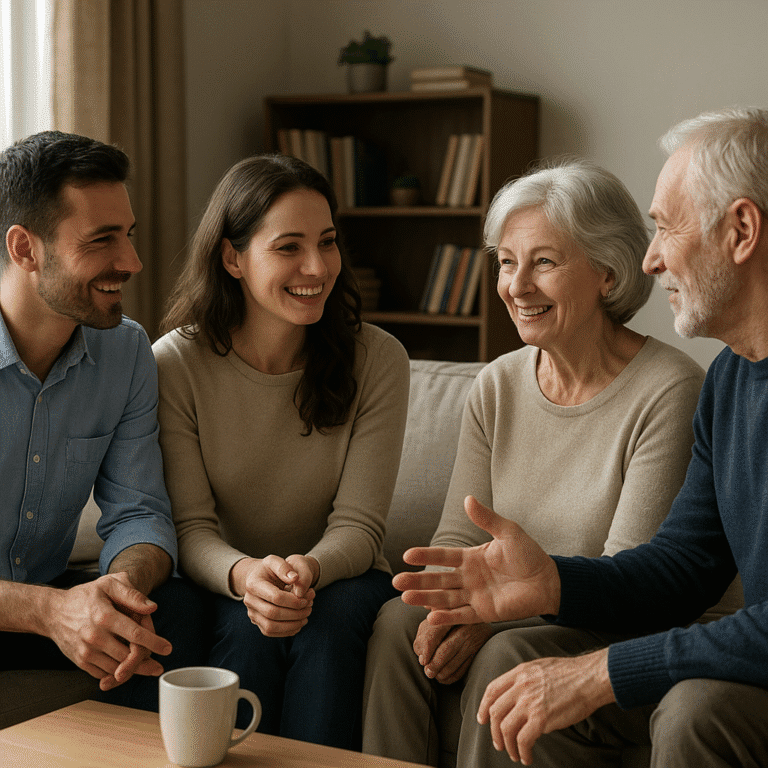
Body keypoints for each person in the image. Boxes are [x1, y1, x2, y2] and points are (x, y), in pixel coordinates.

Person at [394, 106, 768, 768]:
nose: (650, 259)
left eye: (666, 227)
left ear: (741, 230)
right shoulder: (732, 381)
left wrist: (599, 672)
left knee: (695, 710)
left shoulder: (679, 384)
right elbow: (681, 568)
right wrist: (551, 583)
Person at [153, 153, 409, 750]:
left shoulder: (378, 359)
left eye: (327, 241)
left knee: (329, 622)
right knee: (248, 636)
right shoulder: (175, 364)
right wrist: (248, 577)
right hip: (229, 580)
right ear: (232, 257)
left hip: (339, 579)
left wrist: (303, 574)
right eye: (288, 247)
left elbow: (360, 526)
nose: (317, 267)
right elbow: (190, 527)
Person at [0, 131, 208, 710]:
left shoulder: (126, 352)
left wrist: (121, 588)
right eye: (102, 240)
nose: (133, 262)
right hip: (28, 608)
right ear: (25, 249)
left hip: (51, 601)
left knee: (176, 612)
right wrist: (49, 611)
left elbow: (140, 510)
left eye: (129, 234)